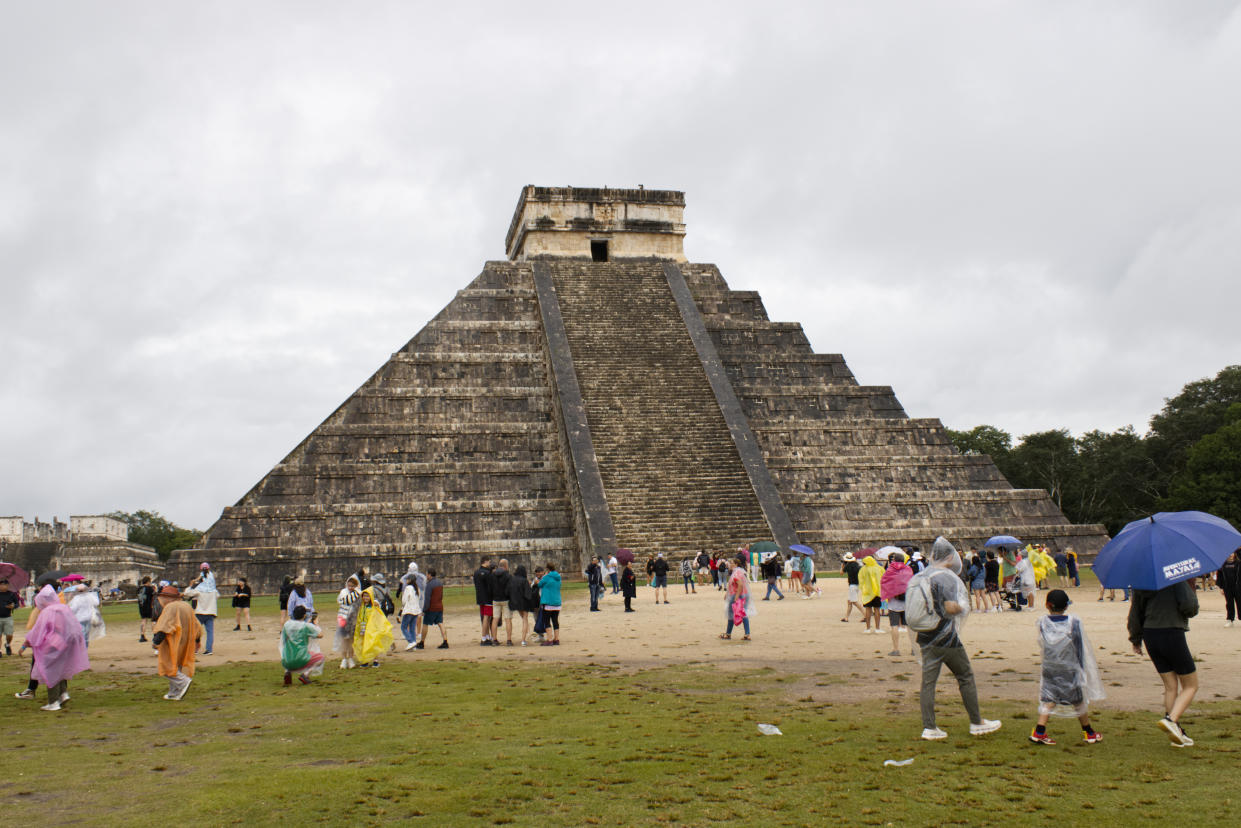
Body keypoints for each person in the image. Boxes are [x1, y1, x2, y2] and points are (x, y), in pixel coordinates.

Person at [911, 537, 1001, 741]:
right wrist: (963, 607)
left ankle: (930, 727)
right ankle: (977, 722)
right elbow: (951, 607)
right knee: (965, 676)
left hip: (925, 636)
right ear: (950, 557)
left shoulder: (922, 576)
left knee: (928, 683)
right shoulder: (946, 578)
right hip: (946, 637)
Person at [1128, 578, 1200, 747]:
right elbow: (1189, 607)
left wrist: (1135, 639)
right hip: (1171, 632)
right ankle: (1171, 720)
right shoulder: (1175, 577)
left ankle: (1175, 730)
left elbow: (1135, 612)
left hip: (1150, 634)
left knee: (1170, 686)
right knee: (1191, 685)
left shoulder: (1142, 581)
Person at [1029, 589, 1104, 745]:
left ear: (1047, 605)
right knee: (1078, 699)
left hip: (1050, 666)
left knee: (1049, 698)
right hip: (1069, 667)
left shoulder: (1042, 622)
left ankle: (1039, 730)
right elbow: (1079, 645)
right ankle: (1088, 732)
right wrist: (1081, 666)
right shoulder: (1073, 622)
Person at [15, 584, 89, 711]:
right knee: (61, 670)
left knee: (51, 672)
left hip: (52, 646)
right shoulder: (63, 608)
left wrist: (25, 644)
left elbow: (38, 631)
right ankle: (63, 694)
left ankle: (53, 702)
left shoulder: (47, 612)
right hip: (67, 643)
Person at [151, 584, 202, 701]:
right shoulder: (187, 606)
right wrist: (197, 640)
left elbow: (164, 626)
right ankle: (174, 692)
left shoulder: (171, 607)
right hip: (186, 642)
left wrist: (156, 642)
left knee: (167, 665)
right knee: (176, 666)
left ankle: (183, 682)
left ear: (169, 598)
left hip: (172, 641)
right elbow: (197, 625)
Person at [880, 551, 914, 657]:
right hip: (906, 601)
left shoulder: (890, 570)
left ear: (894, 560)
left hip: (894, 602)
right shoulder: (908, 570)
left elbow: (884, 582)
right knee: (909, 626)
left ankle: (896, 649)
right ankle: (914, 649)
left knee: (894, 625)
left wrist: (890, 593)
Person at [281, 605, 325, 685]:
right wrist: (315, 624)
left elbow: (283, 640)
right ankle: (305, 674)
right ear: (304, 615)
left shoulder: (287, 625)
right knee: (320, 658)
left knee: (289, 653)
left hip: (286, 661)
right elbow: (320, 635)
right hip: (301, 658)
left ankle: (287, 672)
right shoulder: (306, 626)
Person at [353, 587, 394, 667]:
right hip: (363, 629)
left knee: (373, 644)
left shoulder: (373, 607)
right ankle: (366, 660)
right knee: (364, 644)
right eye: (364, 596)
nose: (365, 598)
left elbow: (378, 615)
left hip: (372, 629)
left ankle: (375, 660)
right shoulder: (362, 607)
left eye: (367, 596)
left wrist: (376, 604)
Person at [186, 563, 218, 655]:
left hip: (200, 613)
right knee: (210, 632)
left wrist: (191, 585)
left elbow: (187, 593)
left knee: (194, 631)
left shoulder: (199, 590)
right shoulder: (214, 590)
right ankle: (209, 650)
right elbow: (217, 595)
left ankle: (193, 649)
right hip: (211, 612)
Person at [719, 555, 752, 640]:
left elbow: (740, 585)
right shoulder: (739, 571)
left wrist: (736, 597)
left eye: (732, 563)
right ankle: (747, 633)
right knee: (743, 613)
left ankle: (728, 633)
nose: (730, 564)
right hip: (742, 594)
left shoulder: (736, 573)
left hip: (737, 595)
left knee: (731, 614)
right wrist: (727, 593)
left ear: (736, 564)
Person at [335, 576, 362, 669]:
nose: (350, 588)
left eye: (352, 586)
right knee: (344, 640)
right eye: (349, 586)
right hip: (344, 619)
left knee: (351, 641)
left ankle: (350, 658)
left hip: (353, 620)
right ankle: (344, 659)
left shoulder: (358, 593)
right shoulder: (344, 592)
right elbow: (342, 601)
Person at [419, 568, 448, 649]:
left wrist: (424, 609)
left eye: (427, 574)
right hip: (439, 606)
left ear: (429, 575)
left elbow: (427, 599)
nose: (426, 576)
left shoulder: (429, 585)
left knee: (425, 624)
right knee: (440, 623)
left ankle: (422, 642)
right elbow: (441, 596)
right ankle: (445, 641)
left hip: (431, 608)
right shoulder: (440, 583)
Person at [508, 564, 533, 645]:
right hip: (524, 602)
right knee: (525, 619)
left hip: (515, 602)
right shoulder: (524, 580)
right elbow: (528, 594)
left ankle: (526, 634)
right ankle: (523, 640)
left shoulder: (512, 579)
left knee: (523, 618)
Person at [858, 555, 883, 633]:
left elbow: (860, 580)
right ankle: (877, 628)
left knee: (868, 610)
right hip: (877, 592)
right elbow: (883, 578)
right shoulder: (879, 568)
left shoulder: (863, 570)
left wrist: (862, 588)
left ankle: (868, 628)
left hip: (867, 593)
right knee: (877, 610)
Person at [539, 564, 563, 645]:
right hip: (557, 602)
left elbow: (540, 584)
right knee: (555, 620)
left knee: (546, 620)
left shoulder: (546, 577)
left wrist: (544, 576)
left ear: (547, 569)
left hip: (548, 601)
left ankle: (549, 639)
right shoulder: (558, 577)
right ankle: (556, 639)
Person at [474, 556, 495, 646]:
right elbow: (490, 586)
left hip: (480, 598)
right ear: (485, 562)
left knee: (484, 617)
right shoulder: (487, 573)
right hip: (487, 598)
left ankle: (487, 636)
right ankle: (483, 637)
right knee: (487, 617)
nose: (489, 564)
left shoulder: (476, 573)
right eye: (489, 562)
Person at [399, 572, 422, 651]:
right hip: (416, 610)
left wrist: (403, 606)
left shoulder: (408, 588)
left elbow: (404, 600)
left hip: (409, 610)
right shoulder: (417, 589)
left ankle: (411, 641)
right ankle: (414, 644)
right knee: (412, 628)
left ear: (410, 580)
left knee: (403, 627)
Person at [1219, 549, 1240, 626]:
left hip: (1238, 587)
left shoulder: (1238, 563)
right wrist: (1221, 587)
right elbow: (1220, 577)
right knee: (1229, 604)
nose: (1230, 555)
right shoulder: (1222, 565)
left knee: (1240, 603)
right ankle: (1230, 620)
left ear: (1234, 554)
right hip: (1227, 587)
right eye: (1229, 553)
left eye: (1232, 553)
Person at [839, 552, 863, 622]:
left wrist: (842, 565)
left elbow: (841, 573)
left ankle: (865, 615)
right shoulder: (857, 564)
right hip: (857, 584)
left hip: (852, 585)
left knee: (854, 601)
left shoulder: (848, 565)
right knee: (849, 601)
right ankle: (846, 617)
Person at [0, 578, 20, 656]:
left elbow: (17, 604)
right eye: (1, 584)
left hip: (8, 617)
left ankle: (7, 644)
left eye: (4, 584)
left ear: (8, 585)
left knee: (9, 634)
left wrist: (13, 606)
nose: (2, 586)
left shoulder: (11, 594)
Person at [137, 576, 157, 642]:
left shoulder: (139, 588)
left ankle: (142, 636)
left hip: (141, 606)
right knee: (153, 620)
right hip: (149, 606)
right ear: (148, 582)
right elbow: (155, 595)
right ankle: (155, 635)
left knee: (143, 620)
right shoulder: (149, 588)